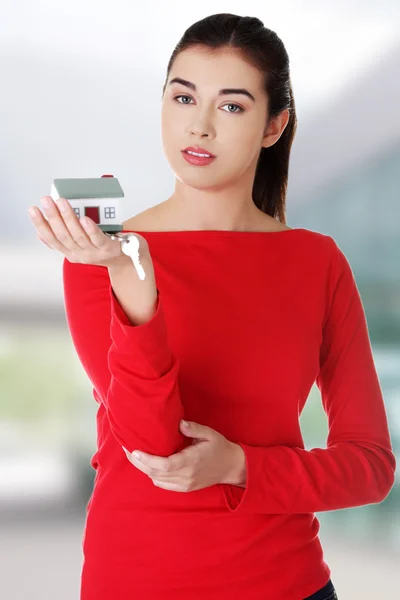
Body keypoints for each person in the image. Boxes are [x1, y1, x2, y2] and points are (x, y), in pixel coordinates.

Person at [28, 12, 396, 600]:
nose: (198, 127)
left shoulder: (318, 263)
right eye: (183, 97)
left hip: (287, 585)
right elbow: (155, 448)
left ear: (273, 127)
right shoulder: (103, 257)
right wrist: (130, 278)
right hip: (138, 582)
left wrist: (242, 466)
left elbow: (371, 466)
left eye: (231, 106)